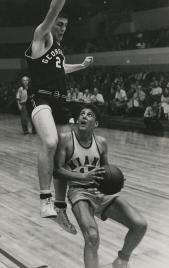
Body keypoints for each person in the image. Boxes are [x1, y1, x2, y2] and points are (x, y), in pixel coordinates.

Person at [25, 0, 93, 222]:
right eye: (60, 23)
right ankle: (44, 199)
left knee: (65, 152)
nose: (63, 28)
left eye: (66, 25)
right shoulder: (41, 37)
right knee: (50, 142)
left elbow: (61, 68)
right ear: (51, 23)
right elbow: (54, 8)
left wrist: (81, 67)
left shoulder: (58, 51)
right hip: (39, 98)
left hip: (59, 100)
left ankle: (60, 203)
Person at [54, 105, 147, 268]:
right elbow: (57, 171)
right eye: (82, 114)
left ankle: (122, 260)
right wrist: (83, 176)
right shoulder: (66, 139)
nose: (84, 116)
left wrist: (116, 180)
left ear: (95, 123)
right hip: (79, 193)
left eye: (89, 115)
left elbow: (106, 171)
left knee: (140, 224)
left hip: (100, 192)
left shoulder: (101, 143)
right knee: (92, 236)